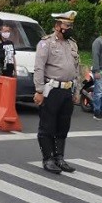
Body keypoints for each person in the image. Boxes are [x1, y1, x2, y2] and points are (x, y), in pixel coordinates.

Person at [33, 11, 79, 174]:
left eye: (71, 25)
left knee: (63, 126)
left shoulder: (72, 44)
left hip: (67, 89)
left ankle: (59, 157)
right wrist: (39, 90)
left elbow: (76, 68)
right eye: (67, 25)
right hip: (51, 90)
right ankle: (48, 158)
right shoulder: (46, 43)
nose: (69, 28)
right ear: (57, 26)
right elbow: (39, 68)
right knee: (48, 125)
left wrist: (76, 91)